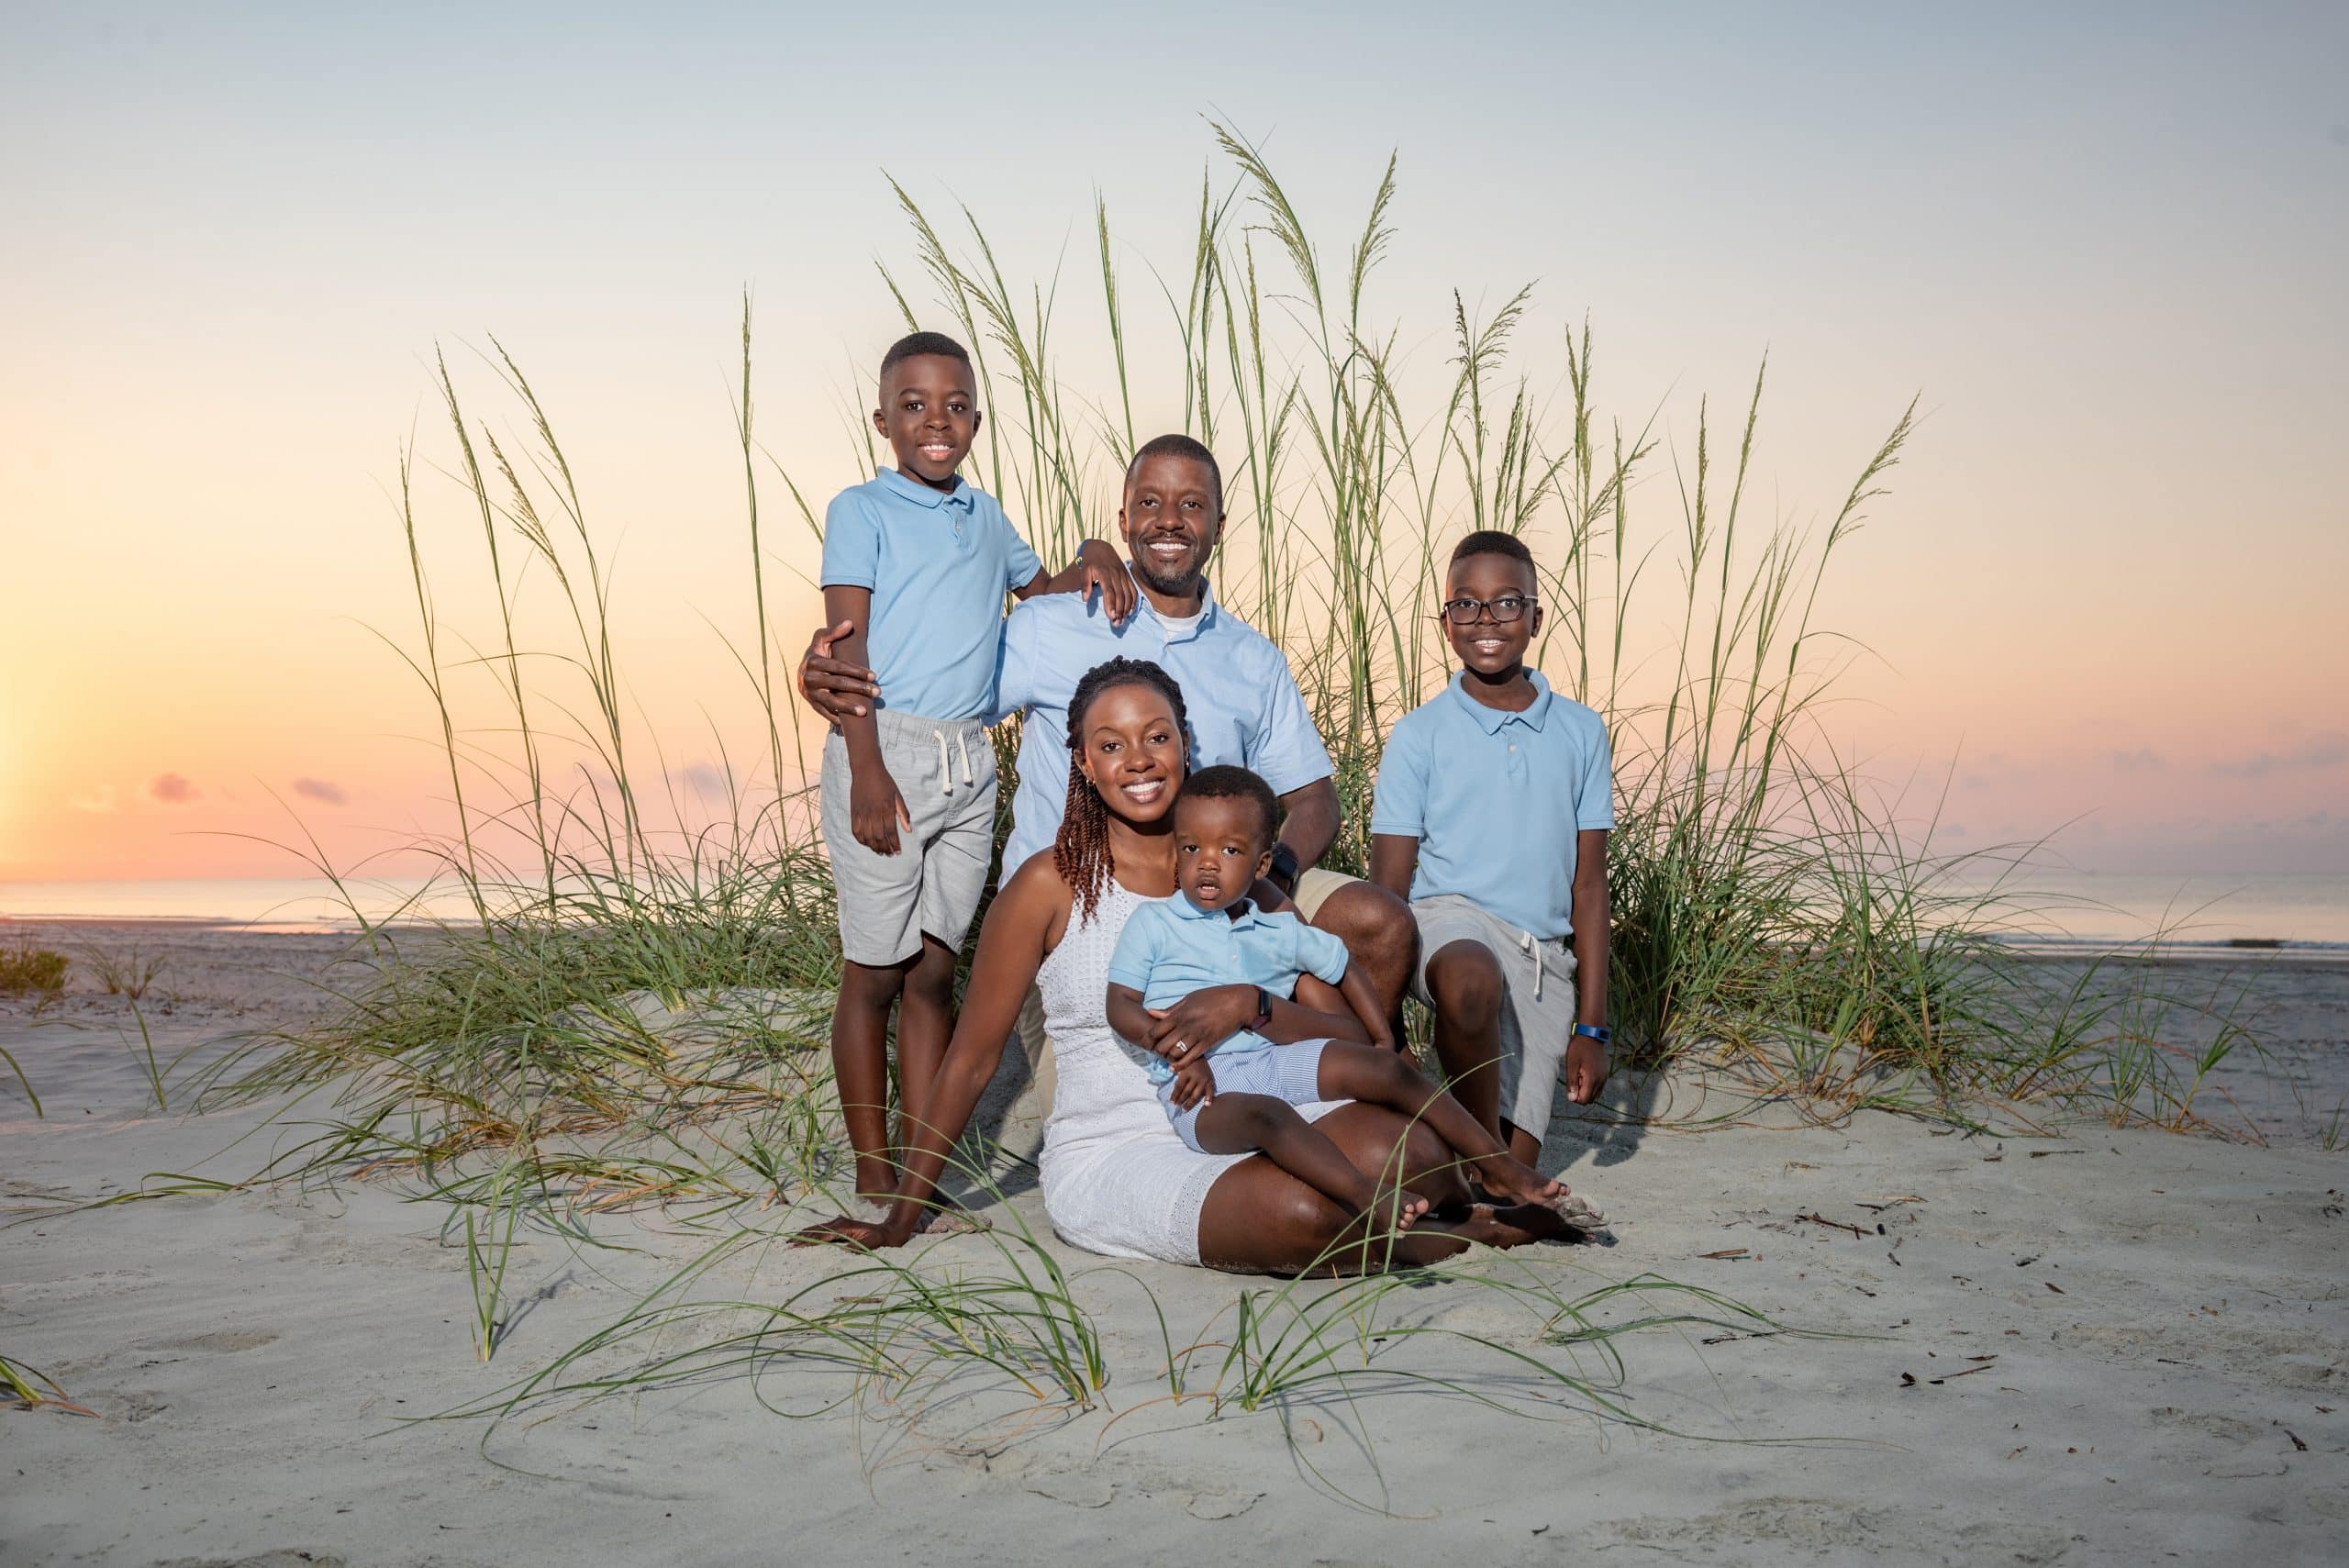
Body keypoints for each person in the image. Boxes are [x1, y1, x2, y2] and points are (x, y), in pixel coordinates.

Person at [797, 658, 1584, 1271]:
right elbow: (969, 1062)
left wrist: (1251, 1004)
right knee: (1307, 1214)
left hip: (1250, 1104)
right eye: (1111, 744)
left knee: (1409, 1150)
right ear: (1082, 761)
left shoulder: (1236, 879)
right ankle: (1442, 1234)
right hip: (1117, 1148)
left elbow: (1345, 1031)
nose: (1138, 759)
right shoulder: (1047, 884)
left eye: (1158, 735)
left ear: (1185, 744)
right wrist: (901, 1214)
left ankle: (1433, 1213)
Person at [800, 432, 1416, 1133]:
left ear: (1219, 523)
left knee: (1380, 921)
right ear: (1123, 521)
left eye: (1191, 504)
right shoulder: (1048, 626)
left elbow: (1315, 798)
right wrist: (831, 672)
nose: (1169, 520)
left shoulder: (1253, 658)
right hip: (1084, 920)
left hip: (1226, 900)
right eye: (1149, 502)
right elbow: (936, 695)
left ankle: (1363, 1099)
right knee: (1145, 1124)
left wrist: (1269, 877)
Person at [818, 329, 1132, 1201]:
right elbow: (847, 652)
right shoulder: (861, 510)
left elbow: (1042, 586)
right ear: (882, 419)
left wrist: (1096, 558)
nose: (936, 422)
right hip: (887, 747)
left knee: (931, 967)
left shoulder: (986, 517)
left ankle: (928, 1169)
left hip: (968, 763)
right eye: (914, 406)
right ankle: (873, 1165)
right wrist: (869, 768)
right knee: (874, 970)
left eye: (955, 407)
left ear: (977, 420)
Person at [1107, 765, 1596, 1236]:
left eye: (1229, 850)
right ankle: (1368, 1195)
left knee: (1385, 1070)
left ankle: (1495, 1165)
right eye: (1192, 847)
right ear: (1176, 854)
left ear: (1260, 864)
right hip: (1199, 1091)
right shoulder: (1156, 924)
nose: (1207, 862)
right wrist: (1177, 1052)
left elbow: (1341, 962)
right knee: (1269, 1117)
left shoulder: (1278, 930)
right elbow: (1120, 1004)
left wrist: (1381, 1038)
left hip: (1273, 1060)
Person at [1369, 529, 1615, 1167]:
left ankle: (1488, 1164)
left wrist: (1592, 1026)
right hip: (1449, 926)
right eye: (1465, 604)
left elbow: (1589, 887)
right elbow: (1387, 891)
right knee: (1471, 972)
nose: (1486, 620)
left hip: (1541, 959)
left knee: (1522, 1155)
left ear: (1535, 616)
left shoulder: (1582, 731)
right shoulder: (1418, 735)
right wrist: (1384, 1023)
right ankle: (1488, 1164)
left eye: (1506, 603)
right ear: (1445, 619)